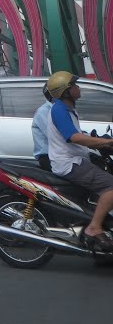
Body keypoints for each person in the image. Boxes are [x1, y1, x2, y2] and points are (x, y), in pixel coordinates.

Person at [46, 70, 113, 251]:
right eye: (74, 85)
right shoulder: (59, 109)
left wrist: (99, 144)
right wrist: (107, 141)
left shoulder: (68, 109)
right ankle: (94, 227)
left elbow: (77, 137)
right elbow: (74, 137)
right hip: (70, 163)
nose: (78, 87)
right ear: (66, 91)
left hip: (74, 159)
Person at [31, 86, 53, 171]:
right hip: (49, 158)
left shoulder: (65, 109)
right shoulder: (45, 111)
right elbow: (58, 136)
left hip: (63, 156)